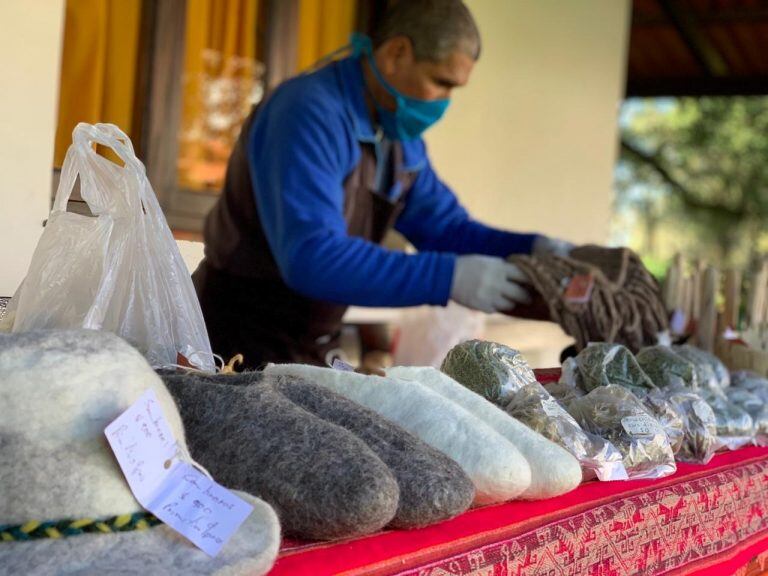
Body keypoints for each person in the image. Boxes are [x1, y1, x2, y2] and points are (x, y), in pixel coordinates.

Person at [193, 0, 571, 368]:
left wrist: (536, 249)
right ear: (396, 53)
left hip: (313, 341)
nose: (445, 102)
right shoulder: (308, 112)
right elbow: (312, 257)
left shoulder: (398, 137)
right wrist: (448, 277)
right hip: (235, 343)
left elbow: (446, 229)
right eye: (441, 83)